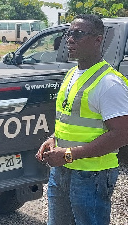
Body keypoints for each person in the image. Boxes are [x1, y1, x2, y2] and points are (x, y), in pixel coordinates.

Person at [36, 14, 128, 225]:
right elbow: (69, 119)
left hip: (92, 176)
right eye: (69, 33)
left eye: (78, 34)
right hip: (61, 171)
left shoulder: (109, 83)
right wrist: (53, 139)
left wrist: (68, 154)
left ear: (98, 39)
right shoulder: (71, 75)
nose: (70, 39)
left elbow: (122, 134)